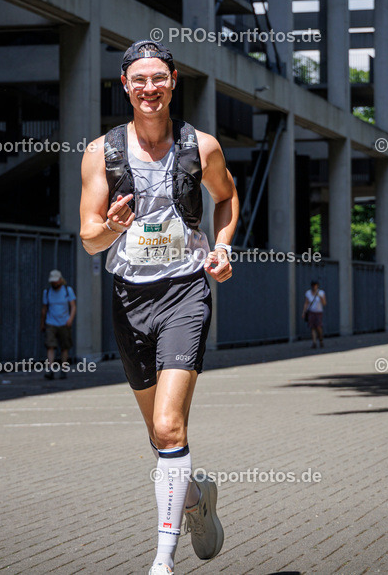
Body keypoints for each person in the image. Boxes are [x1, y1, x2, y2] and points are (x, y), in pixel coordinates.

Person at [79, 40, 239, 575]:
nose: (150, 88)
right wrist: (113, 226)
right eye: (139, 80)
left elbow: (227, 197)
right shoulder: (102, 152)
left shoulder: (202, 147)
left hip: (184, 292)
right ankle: (193, 498)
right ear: (125, 86)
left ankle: (162, 561)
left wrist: (222, 245)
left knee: (170, 428)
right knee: (159, 434)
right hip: (129, 299)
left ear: (173, 82)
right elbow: (89, 239)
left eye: (159, 79)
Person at [40, 270, 76, 380]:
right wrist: (42, 323)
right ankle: (50, 370)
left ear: (60, 280)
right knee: (50, 346)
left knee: (64, 347)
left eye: (56, 281)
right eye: (52, 282)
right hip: (51, 322)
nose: (54, 284)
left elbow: (73, 306)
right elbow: (44, 309)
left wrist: (70, 319)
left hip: (64, 322)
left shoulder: (67, 290)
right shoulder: (47, 292)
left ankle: (63, 369)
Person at [302, 280, 326, 348]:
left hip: (319, 312)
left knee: (318, 327)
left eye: (315, 286)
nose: (314, 287)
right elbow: (306, 303)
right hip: (311, 312)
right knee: (312, 327)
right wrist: (304, 312)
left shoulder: (321, 293)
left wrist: (320, 297)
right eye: (313, 286)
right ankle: (314, 342)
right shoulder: (308, 293)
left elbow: (324, 303)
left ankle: (321, 339)